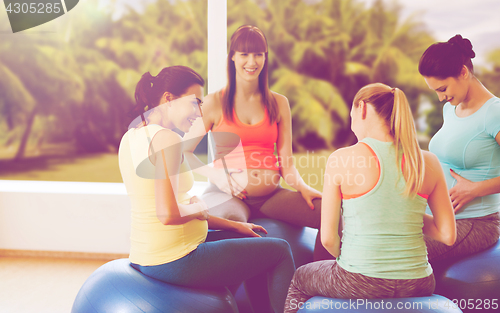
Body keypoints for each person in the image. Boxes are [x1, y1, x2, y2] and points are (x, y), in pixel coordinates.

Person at [118, 65, 295, 313]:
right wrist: (200, 207)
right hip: (175, 258)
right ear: (168, 99)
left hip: (147, 253)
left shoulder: (131, 137)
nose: (199, 112)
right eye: (195, 103)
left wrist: (235, 225)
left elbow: (169, 206)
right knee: (280, 250)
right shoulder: (166, 139)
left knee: (252, 240)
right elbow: (167, 214)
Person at [284, 83, 457, 312]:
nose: (351, 119)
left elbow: (328, 239)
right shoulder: (428, 161)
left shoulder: (341, 159)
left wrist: (350, 263)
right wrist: (401, 213)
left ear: (362, 108)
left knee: (299, 279)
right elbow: (448, 235)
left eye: (352, 112)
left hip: (360, 279)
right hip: (419, 282)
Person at [183, 25, 333, 261]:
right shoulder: (214, 103)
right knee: (231, 228)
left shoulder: (279, 103)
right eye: (244, 54)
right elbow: (184, 152)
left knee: (330, 212)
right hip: (228, 194)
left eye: (258, 54)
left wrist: (303, 187)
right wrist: (218, 176)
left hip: (270, 196)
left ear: (265, 57)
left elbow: (287, 164)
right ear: (232, 57)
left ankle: (315, 277)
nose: (251, 61)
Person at [419, 35, 500, 262]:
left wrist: (476, 189)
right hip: (435, 217)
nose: (440, 98)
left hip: (476, 222)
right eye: (435, 90)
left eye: (442, 88)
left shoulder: (494, 113)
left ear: (463, 72)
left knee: (397, 250)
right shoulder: (451, 110)